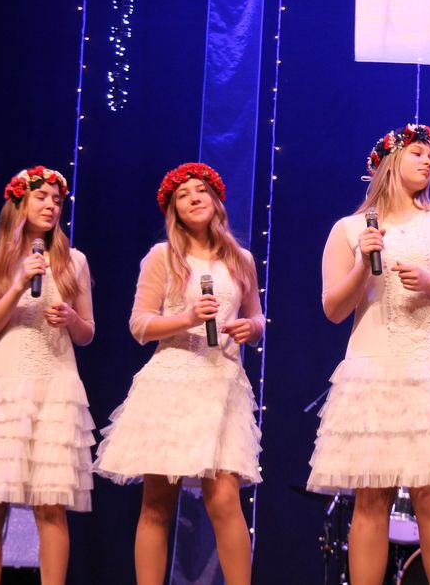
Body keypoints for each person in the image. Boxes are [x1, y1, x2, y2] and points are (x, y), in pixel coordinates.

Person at [307, 124, 430, 585]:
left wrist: (429, 283)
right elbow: (333, 309)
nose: (428, 161)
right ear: (390, 161)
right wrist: (361, 264)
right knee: (372, 497)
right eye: (417, 153)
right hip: (373, 370)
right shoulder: (349, 229)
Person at [94, 163, 263, 585]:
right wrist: (186, 318)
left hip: (222, 383)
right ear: (174, 210)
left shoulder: (240, 259)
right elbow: (139, 324)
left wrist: (251, 327)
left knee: (224, 499)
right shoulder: (162, 257)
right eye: (183, 195)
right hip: (171, 381)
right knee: (157, 502)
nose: (193, 198)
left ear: (216, 200)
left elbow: (257, 317)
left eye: (201, 190)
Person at [0, 166, 95, 585]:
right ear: (19, 203)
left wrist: (71, 318)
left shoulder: (74, 261)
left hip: (56, 387)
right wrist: (17, 287)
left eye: (57, 201)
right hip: (4, 388)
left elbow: (87, 333)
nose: (51, 206)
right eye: (41, 198)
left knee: (51, 504)